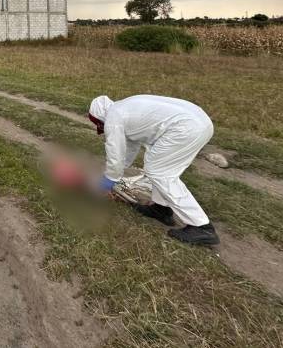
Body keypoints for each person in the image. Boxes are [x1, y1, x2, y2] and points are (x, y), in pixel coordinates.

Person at [89, 94, 219, 246]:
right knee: (159, 168)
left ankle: (202, 226)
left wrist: (108, 181)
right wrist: (116, 172)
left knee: (159, 172)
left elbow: (116, 153)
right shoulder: (121, 109)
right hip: (197, 122)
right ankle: (161, 209)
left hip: (186, 127)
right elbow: (129, 147)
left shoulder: (113, 118)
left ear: (99, 119)